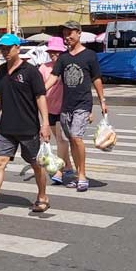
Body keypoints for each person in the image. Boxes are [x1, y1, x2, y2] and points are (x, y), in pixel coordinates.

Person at [0, 33, 50, 221]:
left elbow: (40, 97)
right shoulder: (1, 71)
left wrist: (45, 124)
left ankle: (43, 196)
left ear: (17, 48)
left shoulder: (31, 71)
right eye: (2, 48)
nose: (5, 51)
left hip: (28, 127)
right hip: (7, 128)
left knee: (36, 164)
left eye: (8, 48)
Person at [43, 20, 107, 193]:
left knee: (77, 138)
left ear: (79, 33)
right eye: (64, 34)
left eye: (70, 33)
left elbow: (96, 78)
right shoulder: (63, 58)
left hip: (83, 104)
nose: (67, 37)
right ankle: (77, 172)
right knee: (71, 139)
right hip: (66, 106)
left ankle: (82, 175)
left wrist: (102, 100)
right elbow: (53, 78)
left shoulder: (90, 55)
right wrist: (40, 90)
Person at [38, 36, 75, 186]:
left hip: (64, 108)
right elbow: (39, 88)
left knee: (61, 140)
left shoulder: (67, 66)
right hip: (48, 108)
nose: (54, 55)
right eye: (51, 52)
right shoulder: (43, 67)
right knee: (59, 140)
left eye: (57, 52)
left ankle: (59, 170)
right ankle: (69, 166)